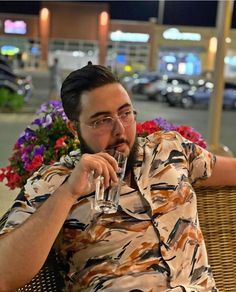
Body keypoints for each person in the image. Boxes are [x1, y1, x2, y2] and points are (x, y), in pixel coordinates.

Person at [0, 63, 236, 292]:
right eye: (102, 121)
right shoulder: (53, 182)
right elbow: (4, 276)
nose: (120, 130)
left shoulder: (169, 149)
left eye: (125, 113)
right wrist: (69, 192)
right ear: (75, 129)